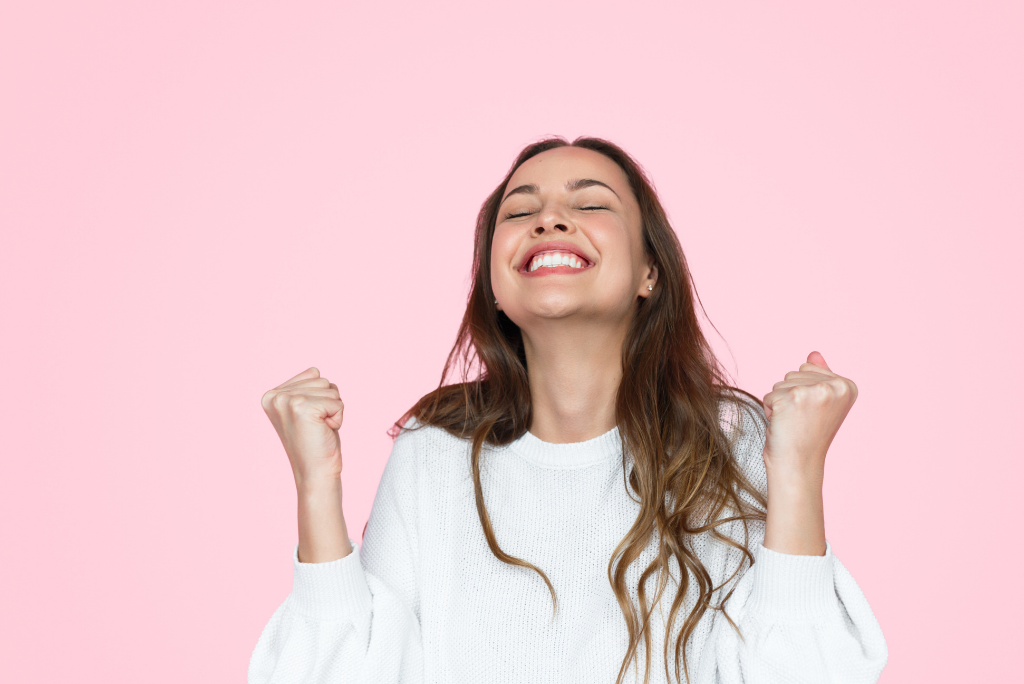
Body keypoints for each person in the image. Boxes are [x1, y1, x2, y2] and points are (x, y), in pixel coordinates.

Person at [248, 137, 888, 684]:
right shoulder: (434, 451)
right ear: (495, 285)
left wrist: (799, 468)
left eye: (589, 204)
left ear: (649, 273)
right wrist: (316, 485)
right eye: (519, 210)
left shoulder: (728, 441)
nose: (550, 220)